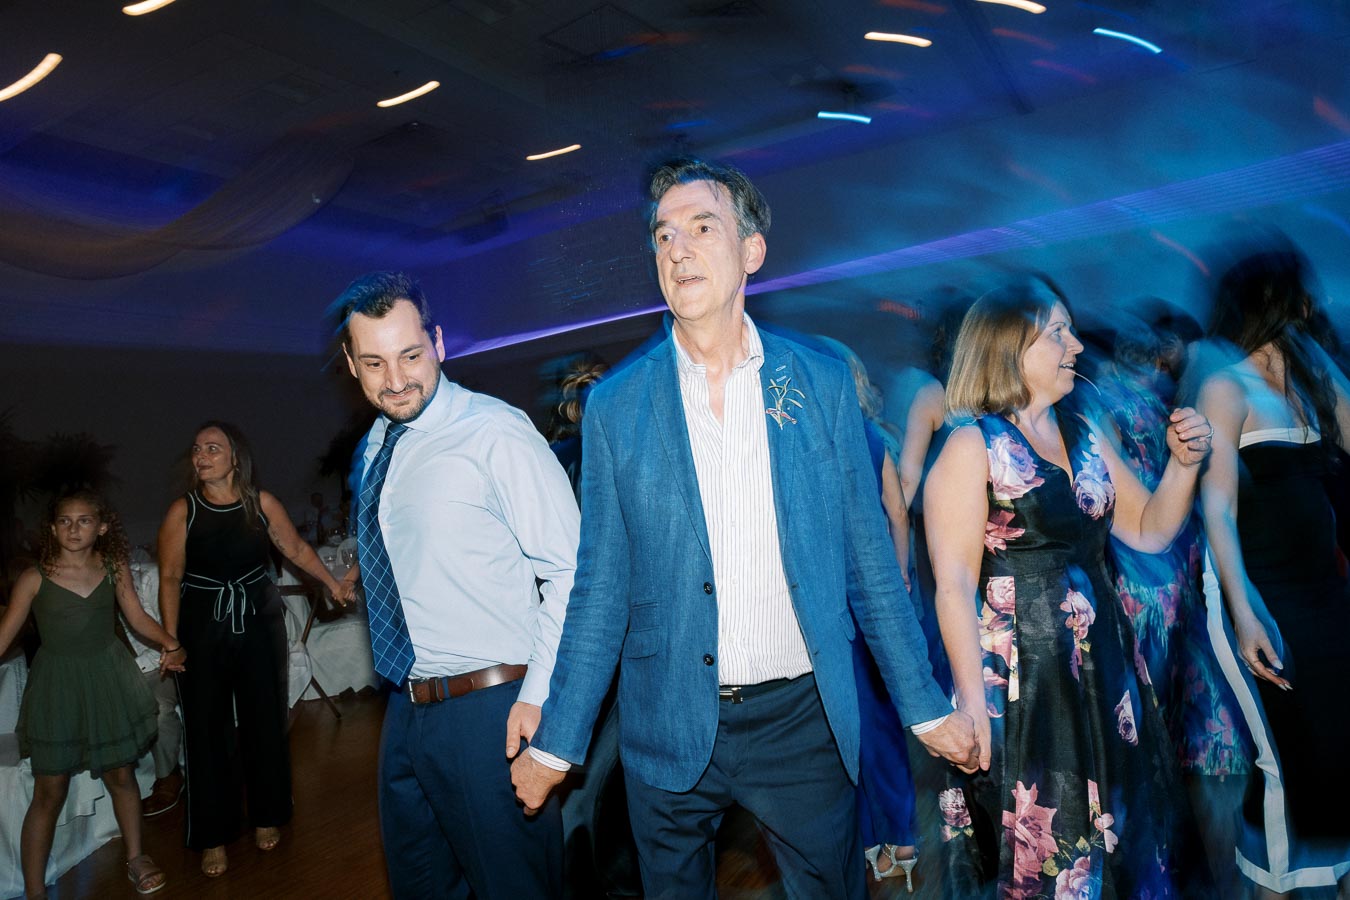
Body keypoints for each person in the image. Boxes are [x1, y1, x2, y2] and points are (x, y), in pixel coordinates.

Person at [511, 157, 977, 900]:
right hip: (666, 718)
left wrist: (924, 705)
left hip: (800, 722)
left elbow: (869, 563)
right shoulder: (618, 407)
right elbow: (600, 588)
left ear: (752, 250)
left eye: (702, 228)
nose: (678, 249)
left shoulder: (819, 384)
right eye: (664, 236)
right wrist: (557, 743)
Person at [924, 281, 1214, 897]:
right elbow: (952, 586)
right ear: (1009, 345)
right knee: (1045, 844)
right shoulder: (972, 445)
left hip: (1102, 666)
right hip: (1024, 682)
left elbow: (1148, 528)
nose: (1076, 345)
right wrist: (972, 706)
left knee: (1122, 834)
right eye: (1057, 331)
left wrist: (1185, 466)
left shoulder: (1085, 431)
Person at [330, 270, 578, 899]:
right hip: (405, 707)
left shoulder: (494, 432)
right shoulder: (377, 444)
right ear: (351, 364)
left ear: (438, 342)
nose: (396, 379)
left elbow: (571, 571)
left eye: (411, 355)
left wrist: (540, 699)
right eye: (374, 363)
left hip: (493, 706)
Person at [1195, 247, 1350, 897]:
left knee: (1333, 742)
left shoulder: (1314, 384)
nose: (1315, 306)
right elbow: (1217, 509)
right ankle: (1273, 887)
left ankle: (1329, 870)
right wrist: (1244, 610)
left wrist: (1324, 364)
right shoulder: (1226, 387)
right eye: (1303, 297)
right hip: (1258, 590)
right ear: (1279, 303)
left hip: (1322, 592)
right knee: (1283, 753)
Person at [156, 421, 350, 877]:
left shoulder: (261, 504)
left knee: (265, 720)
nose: (201, 456)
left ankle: (267, 814)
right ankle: (212, 835)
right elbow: (170, 576)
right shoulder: (183, 510)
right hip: (203, 626)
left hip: (260, 622)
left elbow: (296, 549)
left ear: (235, 458)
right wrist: (171, 641)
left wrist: (332, 583)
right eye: (197, 449)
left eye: (212, 448)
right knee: (206, 730)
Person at [0, 488, 186, 898]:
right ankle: (34, 890)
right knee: (49, 790)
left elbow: (136, 617)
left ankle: (136, 857)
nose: (73, 529)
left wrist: (171, 643)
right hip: (57, 687)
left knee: (121, 774)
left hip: (107, 680)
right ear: (52, 529)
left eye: (84, 520)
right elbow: (4, 636)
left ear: (101, 528)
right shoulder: (34, 578)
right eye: (64, 521)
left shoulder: (113, 567)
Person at [816, 334, 922, 890]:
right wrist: (899, 577)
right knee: (876, 723)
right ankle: (900, 840)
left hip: (834, 602)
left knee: (848, 725)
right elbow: (897, 514)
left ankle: (872, 841)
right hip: (867, 597)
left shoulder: (814, 435)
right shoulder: (870, 433)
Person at [123, 551, 186, 817]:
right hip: (111, 670)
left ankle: (168, 775)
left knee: (157, 707)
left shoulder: (149, 579)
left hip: (159, 663)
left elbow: (175, 637)